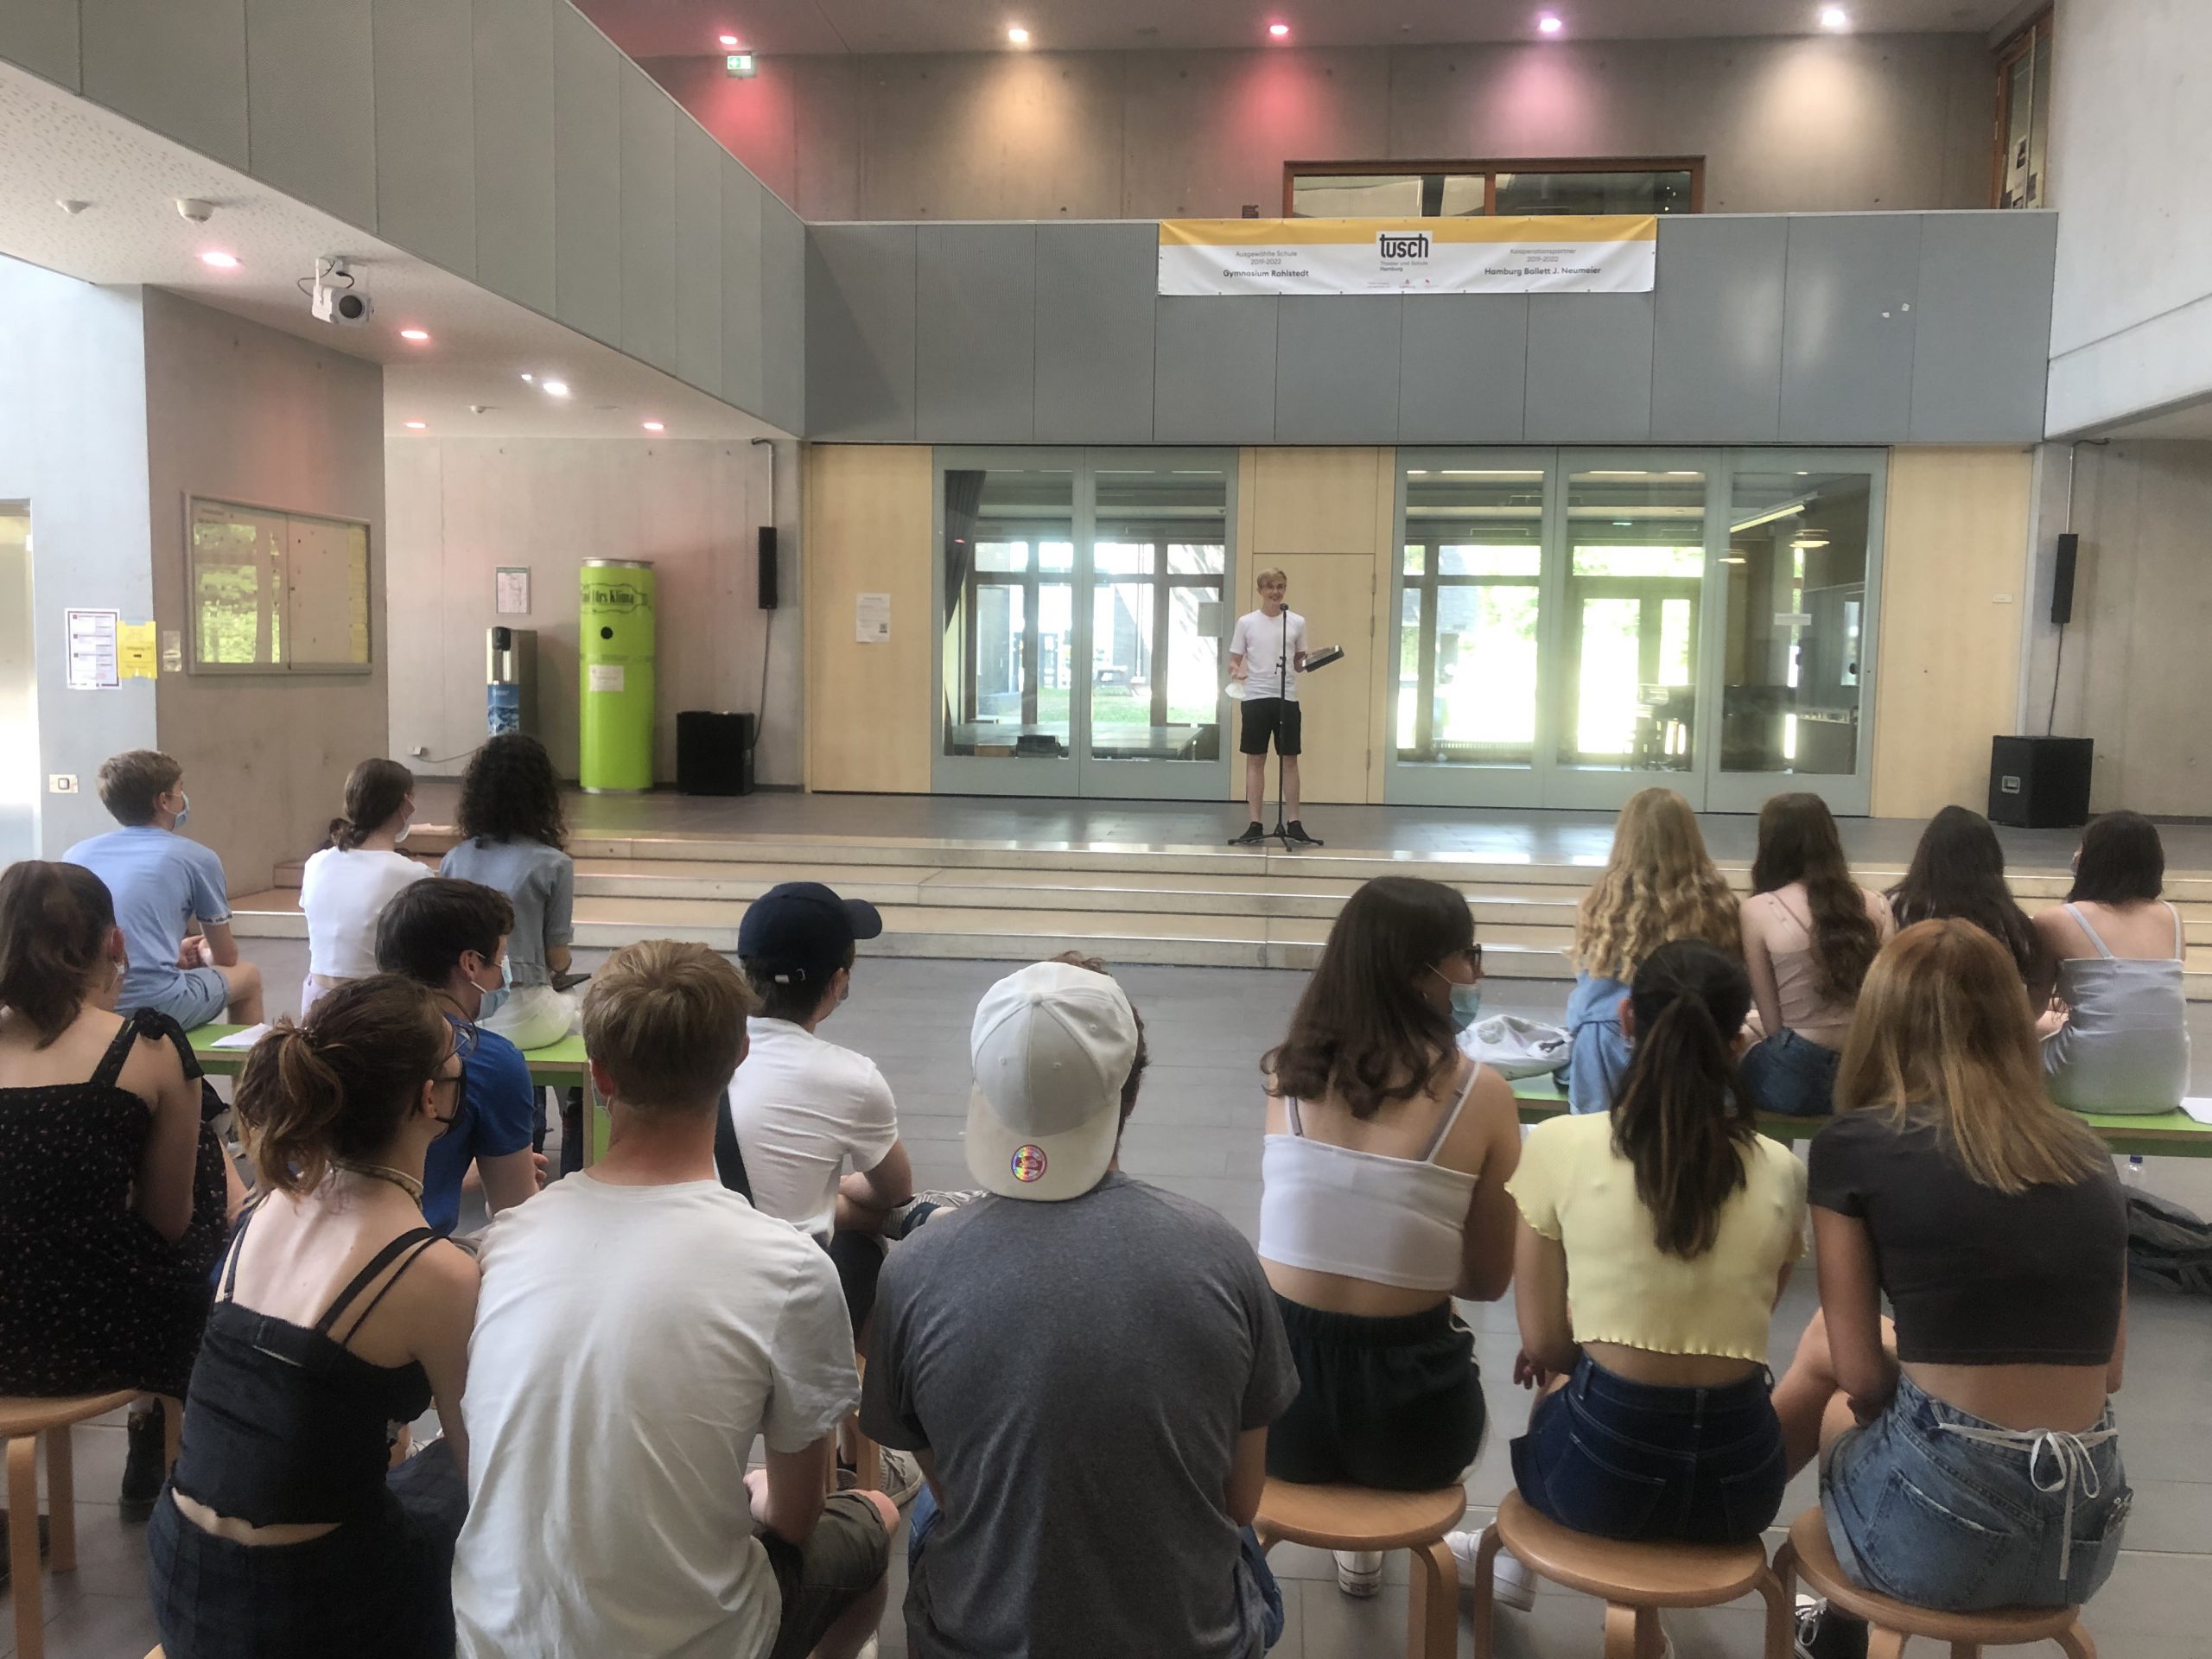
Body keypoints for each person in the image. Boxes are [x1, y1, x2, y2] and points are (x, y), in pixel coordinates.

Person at [452, 940, 895, 1659]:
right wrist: (752, 1492)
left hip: (494, 1634)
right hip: (699, 1640)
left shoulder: (508, 1239)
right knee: (872, 1518)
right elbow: (795, 1518)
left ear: (599, 1075)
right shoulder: (789, 1268)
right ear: (739, 1056)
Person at [862, 957, 1297, 1659]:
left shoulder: (914, 1269)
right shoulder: (1219, 1252)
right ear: (1131, 1091)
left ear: (985, 1087)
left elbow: (953, 1489)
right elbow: (1240, 1502)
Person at [1774, 920, 2128, 1649]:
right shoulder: (2088, 1155)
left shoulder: (1854, 1146)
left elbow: (1860, 1378)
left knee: (1840, 1396)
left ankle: (1733, 1528)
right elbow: (2112, 1371)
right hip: (2082, 1543)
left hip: (1941, 1540)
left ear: (1881, 1021)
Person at [147, 976, 478, 1659]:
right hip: (306, 1606)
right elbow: (487, 1465)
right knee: (488, 1487)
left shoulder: (275, 1201)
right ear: (430, 1098)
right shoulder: (434, 1271)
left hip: (180, 1569)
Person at [1468, 940, 1802, 1576]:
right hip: (1741, 1489)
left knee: (1563, 1385)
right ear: (1739, 1043)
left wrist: (1586, 1340)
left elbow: (1545, 1344)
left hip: (1601, 1481)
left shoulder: (1561, 1144)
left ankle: (1513, 1573)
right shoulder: (1783, 1169)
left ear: (1626, 1018)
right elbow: (1747, 1315)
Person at [1256, 875, 1521, 1598]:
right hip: (1414, 1427)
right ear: (1419, 974)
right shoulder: (1481, 1095)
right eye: (1468, 955)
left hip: (1277, 1413)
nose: (1477, 973)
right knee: (1431, 1311)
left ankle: (1349, 1548)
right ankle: (1384, 1540)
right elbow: (1487, 1279)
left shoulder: (1286, 1077)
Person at [0, 861, 235, 1520]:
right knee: (207, 1172)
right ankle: (178, 1446)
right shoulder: (146, 1046)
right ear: (116, 943)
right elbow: (168, 1221)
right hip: (98, 1335)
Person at [374, 878, 541, 1236]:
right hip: (405, 1252)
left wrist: (462, 1173)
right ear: (471, 963)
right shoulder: (487, 1059)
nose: (503, 977)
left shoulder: (344, 1033)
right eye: (500, 960)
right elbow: (515, 1212)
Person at [1565, 788, 1741, 1115]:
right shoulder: (1718, 907)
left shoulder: (1597, 906)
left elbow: (1588, 991)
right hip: (1696, 1042)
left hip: (1607, 1047)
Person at [64, 748, 264, 1029]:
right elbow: (226, 956)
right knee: (248, 977)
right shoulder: (197, 858)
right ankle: (247, 1058)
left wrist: (169, 950)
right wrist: (207, 956)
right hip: (154, 1003)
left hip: (85, 1001)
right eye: (180, 790)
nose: (184, 798)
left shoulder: (76, 854)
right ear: (165, 801)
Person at [1738, 792, 1893, 1116]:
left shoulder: (1758, 910)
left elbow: (1773, 1025)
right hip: (1866, 1071)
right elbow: (1888, 1003)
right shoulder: (1878, 904)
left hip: (1794, 1076)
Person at [2034, 810, 2189, 1114]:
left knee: (2029, 1032)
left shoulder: (2056, 919)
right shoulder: (2172, 917)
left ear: (2093, 859)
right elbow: (2137, 994)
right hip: (2167, 1088)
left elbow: (2031, 1007)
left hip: (2082, 1084)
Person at [438, 734, 575, 1052]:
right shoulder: (554, 864)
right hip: (524, 1013)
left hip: (461, 1012)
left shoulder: (453, 859)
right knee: (577, 1006)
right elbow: (557, 958)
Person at [299, 758, 430, 1015]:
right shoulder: (412, 874)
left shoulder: (316, 862)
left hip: (315, 1002)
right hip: (373, 1005)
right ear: (406, 804)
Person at [1887, 804, 2049, 1001]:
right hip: (1992, 1016)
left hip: (1910, 1012)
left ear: (1926, 854)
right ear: (1992, 858)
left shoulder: (1896, 907)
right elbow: (2032, 998)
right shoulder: (2011, 922)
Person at [1228, 569, 1319, 849]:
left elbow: (1299, 665)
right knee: (1256, 760)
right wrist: (1236, 672)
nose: (1276, 592)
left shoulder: (1296, 621)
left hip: (1286, 698)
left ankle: (1294, 822)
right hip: (1255, 698)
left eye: (1280, 586)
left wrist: (1316, 660)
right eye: (1270, 587)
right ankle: (1255, 823)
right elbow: (1233, 661)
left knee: (1289, 760)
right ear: (1260, 591)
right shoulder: (1247, 622)